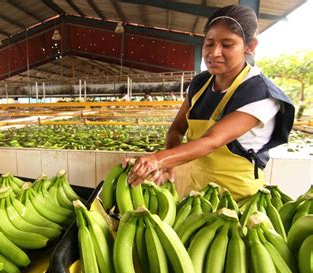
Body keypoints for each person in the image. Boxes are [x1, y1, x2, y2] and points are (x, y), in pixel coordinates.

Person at [126, 5, 294, 200]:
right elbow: (177, 130)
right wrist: (168, 163)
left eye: (227, 44)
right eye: (209, 43)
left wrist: (157, 160)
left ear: (250, 46)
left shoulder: (260, 94)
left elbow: (211, 142)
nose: (214, 53)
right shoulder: (200, 83)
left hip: (237, 198)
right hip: (196, 193)